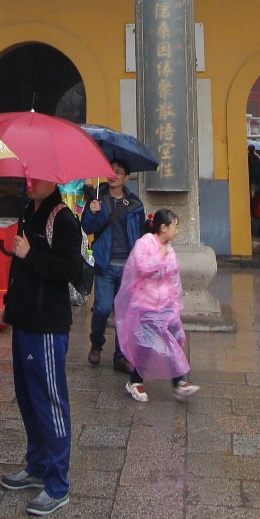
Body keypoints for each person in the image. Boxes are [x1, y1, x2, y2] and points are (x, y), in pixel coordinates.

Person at [0, 173, 81, 517]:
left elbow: (69, 268)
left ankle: (58, 484)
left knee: (50, 402)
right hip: (25, 320)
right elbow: (19, 268)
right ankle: (37, 466)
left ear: (55, 180)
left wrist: (31, 254)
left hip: (47, 325)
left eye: (39, 177)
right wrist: (10, 303)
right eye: (29, 176)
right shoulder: (29, 212)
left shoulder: (63, 219)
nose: (31, 182)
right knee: (29, 399)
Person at [115, 208, 197, 402]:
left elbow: (174, 278)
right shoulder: (144, 244)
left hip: (165, 306)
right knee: (146, 345)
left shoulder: (169, 249)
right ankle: (135, 381)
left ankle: (179, 383)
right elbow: (142, 267)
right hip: (145, 305)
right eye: (175, 226)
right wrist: (159, 257)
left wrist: (176, 304)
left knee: (173, 340)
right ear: (163, 227)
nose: (177, 231)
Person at [80, 158, 145, 372]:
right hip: (105, 265)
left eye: (118, 172)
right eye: (111, 171)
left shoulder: (135, 204)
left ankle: (120, 356)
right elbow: (87, 228)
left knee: (124, 314)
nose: (113, 175)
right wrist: (91, 211)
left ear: (126, 178)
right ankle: (96, 343)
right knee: (102, 308)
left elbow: (141, 235)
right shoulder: (98, 198)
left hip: (128, 267)